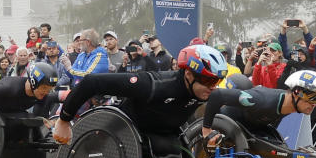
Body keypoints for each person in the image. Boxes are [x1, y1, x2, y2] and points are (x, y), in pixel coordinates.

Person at [53, 45, 229, 145]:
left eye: (217, 82)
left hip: (163, 137)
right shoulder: (153, 84)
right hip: (121, 136)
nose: (213, 88)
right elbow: (91, 82)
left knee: (175, 152)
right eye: (208, 81)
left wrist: (206, 136)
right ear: (189, 75)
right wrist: (64, 119)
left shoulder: (202, 92)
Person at [200, 69, 316, 143]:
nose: (314, 104)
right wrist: (206, 130)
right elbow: (217, 95)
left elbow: (271, 119)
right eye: (310, 99)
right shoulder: (260, 100)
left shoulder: (290, 105)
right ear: (296, 93)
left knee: (281, 149)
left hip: (253, 126)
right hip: (230, 122)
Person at [0, 62, 59, 136]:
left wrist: (44, 120)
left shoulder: (42, 94)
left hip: (11, 114)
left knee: (30, 124)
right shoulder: (9, 88)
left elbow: (37, 116)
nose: (46, 92)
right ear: (33, 82)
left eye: (49, 89)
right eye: (44, 88)